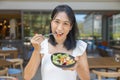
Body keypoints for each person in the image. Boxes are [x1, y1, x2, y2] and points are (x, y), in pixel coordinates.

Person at [24, 4, 90, 80]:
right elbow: (27, 77)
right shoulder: (42, 45)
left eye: (65, 23)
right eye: (57, 22)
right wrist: (36, 50)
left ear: (70, 26)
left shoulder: (79, 46)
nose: (59, 28)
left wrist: (77, 66)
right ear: (51, 22)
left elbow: (86, 78)